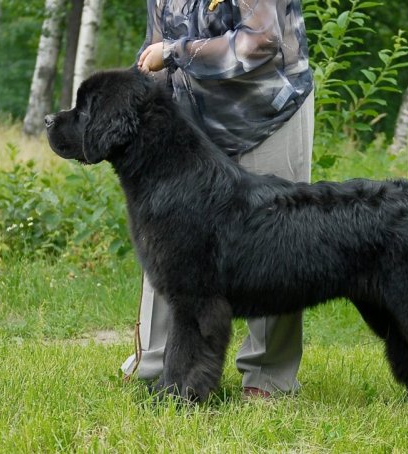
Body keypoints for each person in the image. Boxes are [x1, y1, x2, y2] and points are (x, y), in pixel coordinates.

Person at [120, 0, 314, 398]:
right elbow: (152, 51)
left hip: (267, 110)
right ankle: (160, 362)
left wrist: (174, 53)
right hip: (193, 119)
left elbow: (261, 42)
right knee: (169, 235)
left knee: (277, 242)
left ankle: (268, 376)